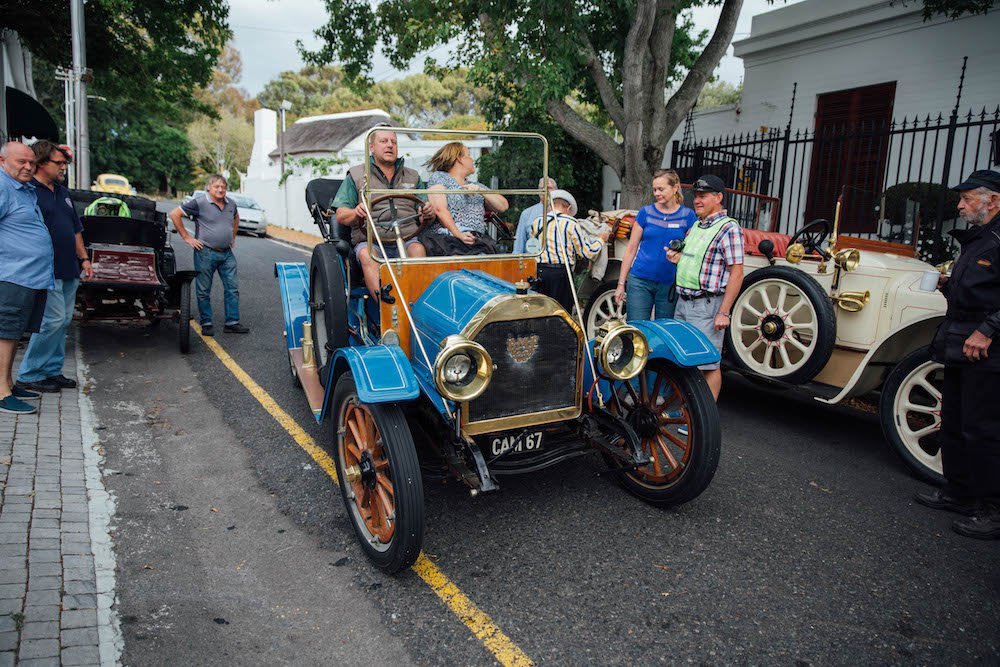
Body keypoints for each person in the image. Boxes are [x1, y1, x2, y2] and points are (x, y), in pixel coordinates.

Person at [915, 169, 1000, 539]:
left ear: (993, 200)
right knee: (953, 421)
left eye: (967, 199)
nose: (960, 205)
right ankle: (960, 493)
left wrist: (988, 330)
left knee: (984, 429)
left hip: (988, 345)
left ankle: (993, 510)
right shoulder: (977, 238)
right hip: (960, 338)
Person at [15, 141, 93, 394]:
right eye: (58, 163)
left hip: (69, 265)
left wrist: (84, 259)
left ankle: (51, 370)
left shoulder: (62, 192)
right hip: (45, 268)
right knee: (51, 321)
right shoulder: (30, 192)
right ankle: (29, 374)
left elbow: (75, 229)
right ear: (41, 163)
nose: (63, 168)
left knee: (63, 321)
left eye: (65, 164)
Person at [666, 174, 744, 401]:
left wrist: (724, 312)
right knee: (684, 360)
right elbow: (697, 261)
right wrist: (677, 259)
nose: (697, 200)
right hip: (684, 302)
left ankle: (704, 421)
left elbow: (737, 273)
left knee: (708, 364)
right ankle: (688, 414)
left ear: (718, 197)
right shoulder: (697, 226)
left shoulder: (729, 228)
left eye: (703, 196)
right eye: (696, 196)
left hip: (708, 306)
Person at [333, 129, 434, 300]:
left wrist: (427, 212)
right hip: (372, 241)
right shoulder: (356, 175)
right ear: (371, 147)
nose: (390, 145)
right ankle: (384, 308)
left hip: (407, 237)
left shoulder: (413, 176)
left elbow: (425, 211)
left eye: (393, 142)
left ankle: (416, 305)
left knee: (418, 249)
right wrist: (356, 212)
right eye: (384, 141)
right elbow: (341, 215)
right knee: (367, 255)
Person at [0, 142, 54, 415]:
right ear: (2, 160)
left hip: (30, 276)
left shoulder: (24, 189)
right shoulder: (2, 187)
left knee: (14, 333)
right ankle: (1, 392)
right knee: (5, 333)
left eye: (31, 162)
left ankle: (8, 383)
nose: (28, 167)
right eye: (21, 161)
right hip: (12, 275)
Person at [169, 175, 248, 336]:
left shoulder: (231, 204)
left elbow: (236, 217)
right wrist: (187, 237)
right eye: (216, 187)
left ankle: (232, 322)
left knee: (232, 289)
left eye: (223, 187)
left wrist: (232, 237)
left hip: (227, 254)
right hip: (205, 253)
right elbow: (174, 214)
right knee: (203, 290)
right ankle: (206, 323)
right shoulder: (199, 203)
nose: (220, 190)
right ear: (209, 188)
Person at [615, 169, 696, 320]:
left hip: (669, 284)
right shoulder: (645, 212)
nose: (657, 193)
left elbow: (692, 252)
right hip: (640, 280)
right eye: (654, 190)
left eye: (661, 189)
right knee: (637, 329)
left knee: (663, 332)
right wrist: (621, 284)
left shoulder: (688, 216)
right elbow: (631, 249)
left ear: (675, 188)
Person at [529, 189, 609, 311]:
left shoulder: (538, 221)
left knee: (542, 310)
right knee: (561, 311)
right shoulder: (571, 223)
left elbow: (532, 248)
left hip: (540, 272)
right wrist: (601, 240)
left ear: (551, 205)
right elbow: (586, 252)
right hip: (561, 273)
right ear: (568, 208)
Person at [423, 142, 508, 256]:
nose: (472, 160)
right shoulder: (440, 178)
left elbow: (503, 206)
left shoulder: (476, 185)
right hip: (450, 240)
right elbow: (440, 209)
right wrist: (458, 234)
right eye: (469, 155)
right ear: (460, 158)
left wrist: (481, 191)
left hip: (478, 241)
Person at [514, 177, 557, 254]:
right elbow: (518, 246)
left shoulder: (563, 213)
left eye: (549, 188)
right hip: (532, 261)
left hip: (556, 262)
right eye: (542, 188)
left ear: (556, 191)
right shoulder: (526, 214)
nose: (545, 190)